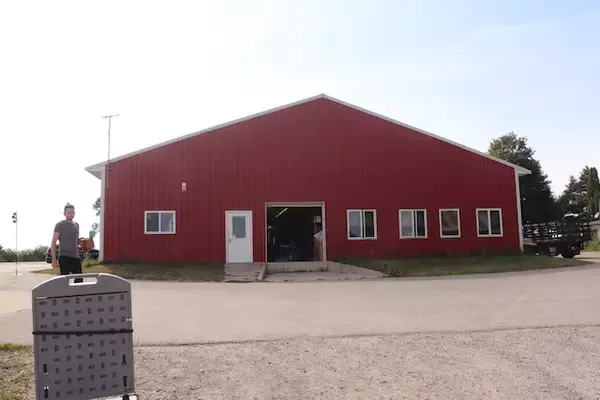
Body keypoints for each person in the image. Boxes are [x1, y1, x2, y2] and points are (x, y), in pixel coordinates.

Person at [51, 203, 89, 279]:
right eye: (68, 212)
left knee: (79, 279)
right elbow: (54, 242)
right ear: (64, 213)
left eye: (72, 212)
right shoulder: (60, 225)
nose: (71, 214)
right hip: (64, 256)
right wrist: (54, 259)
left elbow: (76, 240)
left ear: (74, 213)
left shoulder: (76, 225)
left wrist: (85, 244)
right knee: (65, 281)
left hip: (75, 256)